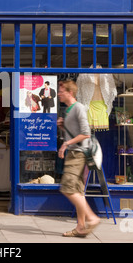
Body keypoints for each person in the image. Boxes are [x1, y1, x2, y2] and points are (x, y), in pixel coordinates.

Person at [57, 80, 100, 237]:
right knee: (77, 190)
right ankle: (80, 227)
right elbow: (75, 132)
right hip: (74, 152)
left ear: (70, 92)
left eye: (61, 91)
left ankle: (92, 218)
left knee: (67, 188)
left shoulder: (79, 108)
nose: (59, 93)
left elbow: (86, 133)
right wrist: (63, 127)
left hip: (79, 154)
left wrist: (65, 144)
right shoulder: (68, 110)